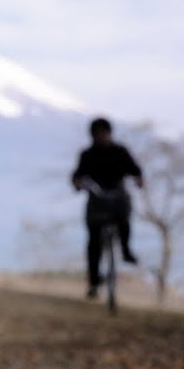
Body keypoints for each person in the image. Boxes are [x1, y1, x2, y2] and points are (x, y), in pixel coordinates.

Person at [72, 118, 144, 298]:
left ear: (110, 134)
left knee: (124, 221)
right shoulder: (87, 155)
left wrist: (138, 178)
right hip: (96, 202)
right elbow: (77, 175)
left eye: (105, 134)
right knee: (94, 242)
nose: (102, 137)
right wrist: (78, 183)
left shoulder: (120, 152)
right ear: (93, 136)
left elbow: (135, 169)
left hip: (118, 199)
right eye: (98, 135)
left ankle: (126, 251)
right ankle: (94, 281)